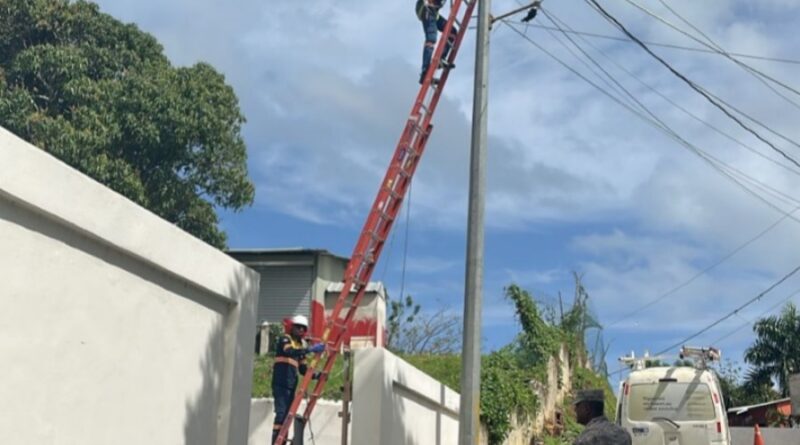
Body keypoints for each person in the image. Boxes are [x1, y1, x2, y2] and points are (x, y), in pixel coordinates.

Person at [271, 314, 325, 444]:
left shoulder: (300, 345)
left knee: (288, 416)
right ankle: (276, 442)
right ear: (292, 327)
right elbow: (289, 352)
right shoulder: (285, 339)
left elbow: (303, 369)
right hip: (280, 383)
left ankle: (282, 440)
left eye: (303, 328)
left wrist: (317, 375)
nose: (301, 330)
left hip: (291, 385)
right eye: (298, 327)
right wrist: (310, 349)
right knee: (281, 413)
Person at [415, 0, 457, 84]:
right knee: (431, 39)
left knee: (452, 31)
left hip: (433, 12)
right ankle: (425, 72)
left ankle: (441, 58)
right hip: (427, 8)